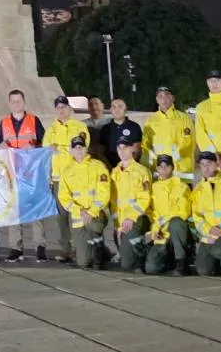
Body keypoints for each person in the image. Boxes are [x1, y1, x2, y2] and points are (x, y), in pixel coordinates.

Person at [0, 88, 47, 264]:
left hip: (31, 172)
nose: (16, 104)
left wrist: (34, 147)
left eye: (19, 101)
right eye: (13, 101)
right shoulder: (4, 122)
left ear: (24, 102)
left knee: (35, 209)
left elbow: (44, 143)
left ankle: (39, 246)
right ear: (9, 103)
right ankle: (15, 248)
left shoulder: (34, 120)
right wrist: (1, 146)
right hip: (13, 172)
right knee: (14, 208)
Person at [42, 94, 89, 263]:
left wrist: (59, 148)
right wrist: (65, 148)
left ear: (69, 108)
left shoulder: (80, 127)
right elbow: (46, 151)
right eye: (58, 108)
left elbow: (82, 147)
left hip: (76, 178)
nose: (61, 110)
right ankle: (66, 249)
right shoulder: (51, 129)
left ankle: (80, 247)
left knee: (77, 213)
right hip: (58, 179)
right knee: (61, 217)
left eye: (64, 107)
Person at [57, 134, 110, 269]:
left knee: (94, 228)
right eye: (75, 148)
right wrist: (79, 211)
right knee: (83, 263)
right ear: (71, 150)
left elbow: (104, 192)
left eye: (81, 147)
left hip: (95, 215)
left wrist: (91, 212)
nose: (79, 150)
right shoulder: (67, 171)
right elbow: (64, 197)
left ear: (86, 149)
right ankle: (98, 251)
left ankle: (99, 255)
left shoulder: (98, 166)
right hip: (78, 217)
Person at [145, 154, 192, 276]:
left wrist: (163, 221)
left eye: (167, 166)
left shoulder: (182, 187)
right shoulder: (153, 188)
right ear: (157, 169)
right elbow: (152, 213)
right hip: (161, 233)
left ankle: (182, 263)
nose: (163, 169)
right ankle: (169, 260)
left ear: (172, 168)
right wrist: (155, 231)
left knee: (176, 222)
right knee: (151, 268)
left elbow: (183, 212)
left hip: (176, 231)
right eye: (160, 166)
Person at [110, 136, 152, 272]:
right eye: (119, 148)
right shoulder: (114, 172)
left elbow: (145, 198)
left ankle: (144, 252)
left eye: (125, 148)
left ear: (132, 149)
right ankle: (129, 249)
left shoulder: (141, 171)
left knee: (127, 264)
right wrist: (117, 223)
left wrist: (131, 217)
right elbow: (113, 201)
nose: (122, 151)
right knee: (125, 263)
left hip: (138, 217)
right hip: (122, 220)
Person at [142, 86, 195, 181]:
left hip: (181, 171)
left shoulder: (184, 118)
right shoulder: (151, 120)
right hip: (159, 170)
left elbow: (189, 142)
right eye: (160, 96)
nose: (164, 99)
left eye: (167, 95)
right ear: (156, 100)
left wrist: (173, 159)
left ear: (173, 98)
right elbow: (145, 144)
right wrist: (154, 161)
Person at [98, 99, 143, 170]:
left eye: (120, 106)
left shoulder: (134, 127)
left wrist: (127, 167)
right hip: (111, 169)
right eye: (114, 107)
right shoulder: (105, 129)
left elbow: (137, 151)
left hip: (131, 169)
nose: (117, 110)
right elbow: (100, 153)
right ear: (110, 110)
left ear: (125, 109)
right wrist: (110, 168)